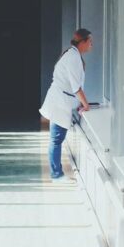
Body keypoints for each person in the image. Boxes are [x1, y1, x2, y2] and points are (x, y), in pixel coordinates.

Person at [39, 28, 93, 183]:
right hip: (59, 103)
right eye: (90, 42)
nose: (91, 45)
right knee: (56, 139)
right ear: (82, 42)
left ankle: (57, 173)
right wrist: (86, 105)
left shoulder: (73, 54)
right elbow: (76, 87)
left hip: (61, 101)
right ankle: (56, 175)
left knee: (56, 139)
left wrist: (81, 103)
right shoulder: (73, 57)